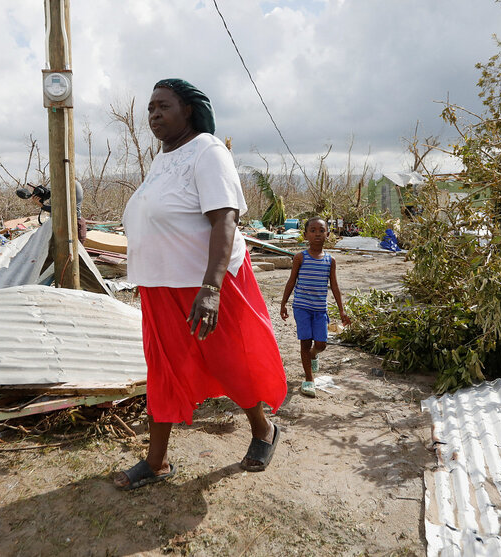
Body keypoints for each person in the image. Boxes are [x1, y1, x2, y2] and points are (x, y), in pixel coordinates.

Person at [115, 78, 288, 490]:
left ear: (187, 110)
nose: (154, 115)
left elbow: (225, 219)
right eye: (150, 109)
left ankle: (264, 430)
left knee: (230, 361)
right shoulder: (163, 160)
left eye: (163, 106)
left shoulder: (208, 151)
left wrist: (211, 290)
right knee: (164, 369)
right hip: (159, 287)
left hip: (207, 285)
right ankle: (156, 463)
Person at [280, 217, 351, 397]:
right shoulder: (300, 258)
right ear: (305, 235)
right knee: (305, 341)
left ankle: (314, 355)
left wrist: (342, 310)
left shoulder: (330, 260)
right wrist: (284, 303)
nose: (317, 234)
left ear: (327, 234)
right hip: (301, 307)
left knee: (321, 343)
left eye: (321, 230)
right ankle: (309, 379)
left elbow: (334, 286)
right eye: (312, 230)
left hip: (320, 309)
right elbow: (291, 282)